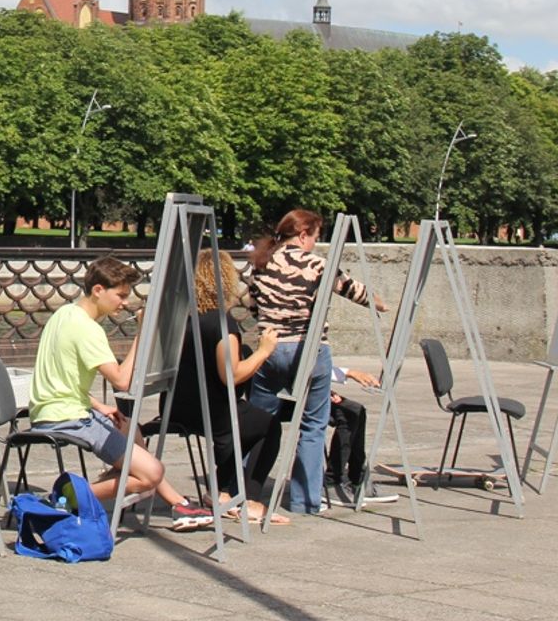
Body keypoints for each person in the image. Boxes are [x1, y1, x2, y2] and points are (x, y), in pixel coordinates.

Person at [28, 256, 209, 523]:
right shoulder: (87, 329)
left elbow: (61, 378)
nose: (125, 303)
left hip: (54, 409)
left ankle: (178, 505)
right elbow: (122, 382)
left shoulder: (63, 314)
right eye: (121, 295)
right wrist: (142, 334)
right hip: (67, 418)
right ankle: (64, 500)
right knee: (151, 474)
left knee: (129, 428)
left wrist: (100, 407)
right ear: (98, 290)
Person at [246, 209, 388, 515]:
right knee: (312, 426)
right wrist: (381, 304)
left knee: (258, 423)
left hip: (269, 349)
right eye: (315, 236)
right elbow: (352, 289)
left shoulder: (260, 263)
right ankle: (305, 501)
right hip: (308, 350)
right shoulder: (316, 264)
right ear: (302, 235)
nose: (316, 242)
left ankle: (243, 490)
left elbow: (252, 305)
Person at [166, 250, 286, 529]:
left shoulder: (181, 317)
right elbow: (232, 375)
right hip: (211, 413)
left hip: (176, 408)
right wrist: (264, 352)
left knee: (248, 420)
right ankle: (249, 498)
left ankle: (221, 490)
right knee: (267, 425)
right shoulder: (220, 322)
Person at [324, 367, 400, 508]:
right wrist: (349, 373)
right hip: (288, 391)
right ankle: (331, 482)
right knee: (349, 414)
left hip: (311, 385)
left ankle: (357, 479)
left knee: (356, 410)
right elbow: (299, 363)